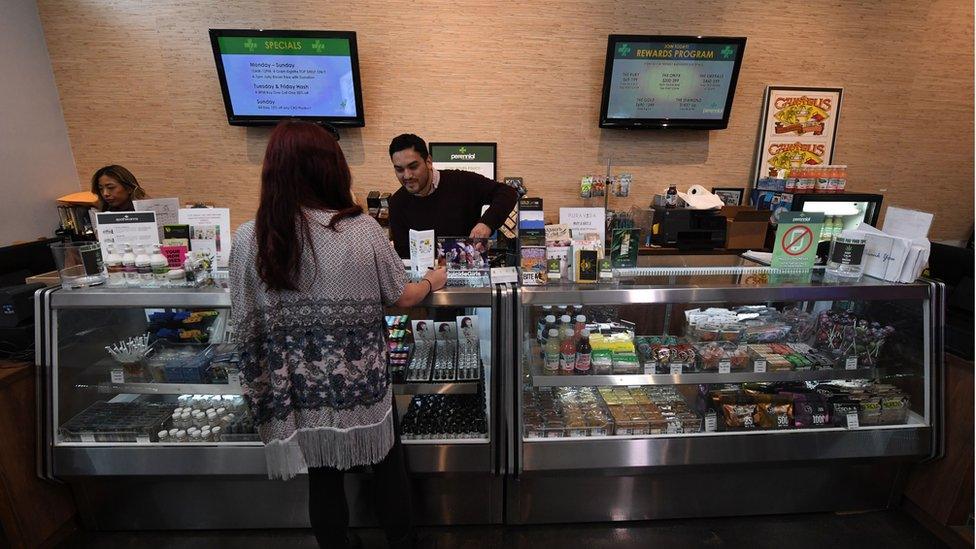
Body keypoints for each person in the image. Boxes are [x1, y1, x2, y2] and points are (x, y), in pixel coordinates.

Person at [229, 121, 446, 549]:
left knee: (323, 477)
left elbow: (244, 321)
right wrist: (433, 280)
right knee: (387, 468)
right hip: (362, 388)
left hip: (298, 390)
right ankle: (402, 542)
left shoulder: (249, 236)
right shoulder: (360, 230)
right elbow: (402, 296)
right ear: (331, 169)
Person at [387, 134, 517, 258]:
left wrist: (487, 224)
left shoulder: (463, 182)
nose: (407, 175)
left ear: (428, 161)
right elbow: (404, 257)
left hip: (468, 271)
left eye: (413, 167)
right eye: (399, 169)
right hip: (426, 278)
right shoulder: (397, 203)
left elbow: (507, 193)